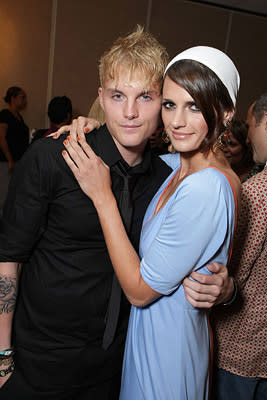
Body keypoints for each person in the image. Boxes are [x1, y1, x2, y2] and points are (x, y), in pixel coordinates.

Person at [0, 26, 177, 400]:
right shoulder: (54, 157)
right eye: (118, 96)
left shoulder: (168, 181)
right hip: (37, 365)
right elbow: (8, 258)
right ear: (101, 98)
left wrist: (223, 287)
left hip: (116, 369)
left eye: (145, 96)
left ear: (163, 102)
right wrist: (2, 358)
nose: (130, 112)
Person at [61, 46, 241, 399]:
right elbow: (137, 144)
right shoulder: (179, 166)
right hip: (152, 339)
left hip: (167, 351)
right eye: (170, 104)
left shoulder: (206, 185)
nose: (177, 121)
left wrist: (103, 196)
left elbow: (140, 292)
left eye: (195, 106)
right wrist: (96, 124)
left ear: (226, 113)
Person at [211, 93, 267, 400]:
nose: (248, 140)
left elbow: (231, 274)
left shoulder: (256, 193)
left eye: (249, 126)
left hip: (240, 351)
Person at [0, 87, 29, 213]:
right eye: (22, 97)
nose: (25, 101)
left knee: (14, 195)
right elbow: (1, 137)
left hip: (17, 162)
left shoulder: (19, 117)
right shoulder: (5, 115)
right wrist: (10, 159)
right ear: (13, 98)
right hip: (6, 162)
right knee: (5, 195)